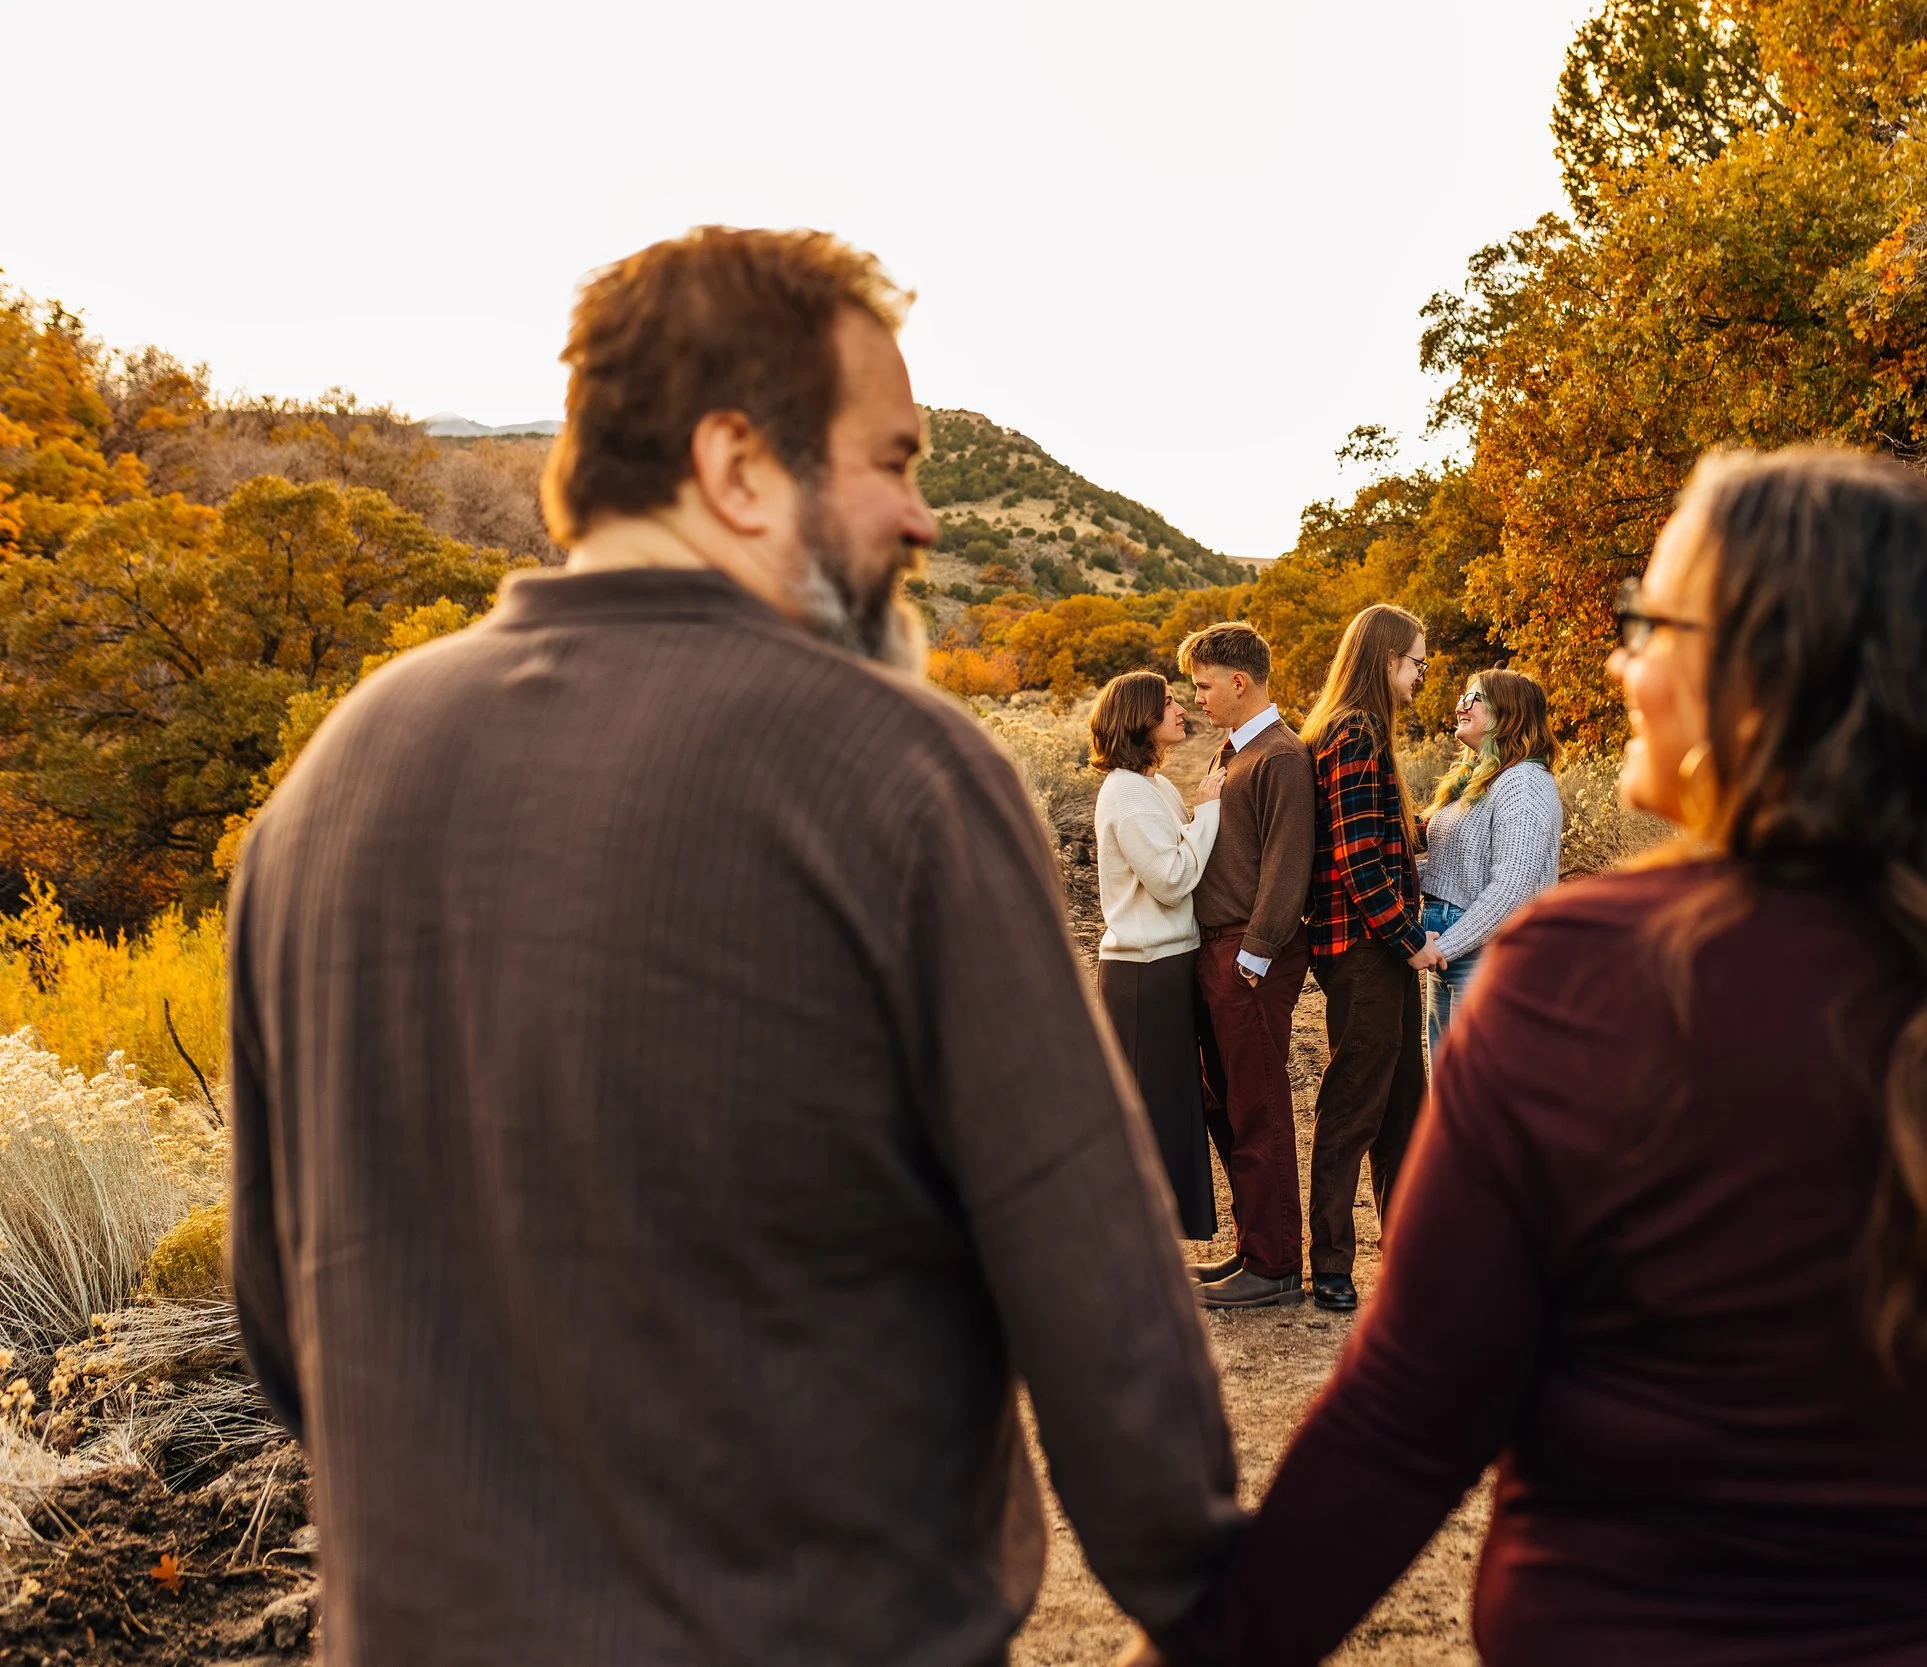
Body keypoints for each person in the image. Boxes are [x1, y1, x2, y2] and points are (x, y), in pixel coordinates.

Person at [226, 226, 1240, 1667]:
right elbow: (1110, 1316)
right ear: (739, 464)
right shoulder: (902, 776)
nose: (922, 517)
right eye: (890, 459)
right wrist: (1201, 1587)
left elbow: (281, 1310)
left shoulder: (330, 785)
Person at [1148, 447, 1927, 1666]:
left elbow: (1400, 1432)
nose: (1622, 661)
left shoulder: (1575, 984)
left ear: (1758, 674)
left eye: (1648, 621)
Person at [1299, 603, 1437, 1316]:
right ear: (1386, 659)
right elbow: (1355, 862)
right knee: (1355, 1107)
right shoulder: (1355, 730)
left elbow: (1374, 835)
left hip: (1371, 949)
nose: (1420, 675)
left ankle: (1410, 1257)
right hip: (1364, 951)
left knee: (1403, 1109)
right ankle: (1329, 1264)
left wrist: (1428, 825)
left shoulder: (1354, 731)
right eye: (1415, 661)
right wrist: (1413, 942)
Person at [1178, 620, 1317, 1310]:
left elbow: (1289, 865)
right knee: (1226, 1107)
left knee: (1258, 1109)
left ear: (1240, 681)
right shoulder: (1232, 752)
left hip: (1249, 954)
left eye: (1203, 685)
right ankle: (1251, 1246)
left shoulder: (1280, 755)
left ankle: (1275, 1266)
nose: (1196, 697)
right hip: (1217, 950)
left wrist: (1254, 957)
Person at [1090, 669, 1230, 1239]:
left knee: (1174, 1106)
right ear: (1139, 719)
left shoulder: (1155, 786)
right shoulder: (1125, 793)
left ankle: (1160, 1231)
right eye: (1167, 702)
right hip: (1144, 970)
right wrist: (1212, 811)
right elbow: (1172, 880)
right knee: (1155, 1109)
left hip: (1169, 961)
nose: (1180, 708)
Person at [1416, 669, 1562, 1061]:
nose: (1460, 706)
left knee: (1479, 1095)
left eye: (1473, 697)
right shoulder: (1477, 780)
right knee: (1449, 1091)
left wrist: (1441, 946)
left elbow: (1512, 889)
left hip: (1487, 953)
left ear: (1507, 712)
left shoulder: (1525, 782)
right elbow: (1450, 871)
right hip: (1450, 949)